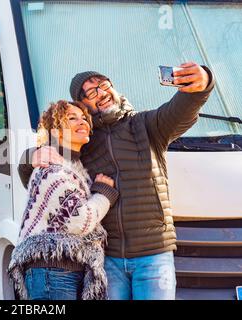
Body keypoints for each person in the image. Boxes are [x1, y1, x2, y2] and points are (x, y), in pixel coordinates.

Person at [18, 62, 214, 300]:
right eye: (91, 92)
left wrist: (203, 83)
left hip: (153, 254)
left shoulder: (146, 125)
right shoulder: (84, 141)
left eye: (103, 85)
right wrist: (30, 157)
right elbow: (44, 179)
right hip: (107, 258)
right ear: (84, 106)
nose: (101, 93)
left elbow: (181, 110)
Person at [8, 100, 119, 300]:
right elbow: (80, 220)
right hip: (53, 272)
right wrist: (103, 194)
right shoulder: (53, 168)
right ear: (55, 131)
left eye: (84, 118)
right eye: (72, 118)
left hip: (64, 269)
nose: (82, 122)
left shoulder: (74, 168)